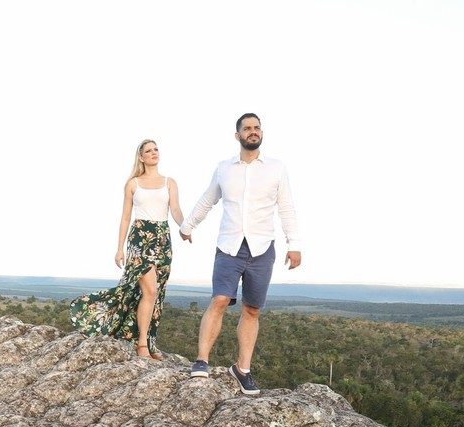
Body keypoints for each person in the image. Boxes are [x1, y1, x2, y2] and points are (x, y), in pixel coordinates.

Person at [180, 112, 301, 395]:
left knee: (252, 308)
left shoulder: (276, 168)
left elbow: (286, 207)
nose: (253, 131)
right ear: (238, 136)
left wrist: (293, 243)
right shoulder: (224, 168)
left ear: (261, 133)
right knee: (220, 299)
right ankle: (201, 360)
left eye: (257, 127)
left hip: (262, 248)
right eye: (247, 128)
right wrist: (187, 226)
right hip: (229, 246)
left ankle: (242, 369)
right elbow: (208, 199)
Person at [69, 139, 185, 358]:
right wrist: (119, 248)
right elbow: (125, 218)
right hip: (139, 239)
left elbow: (176, 209)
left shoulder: (170, 182)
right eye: (148, 151)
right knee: (149, 290)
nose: (154, 153)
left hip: (162, 240)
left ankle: (149, 342)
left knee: (156, 295)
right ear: (141, 157)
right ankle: (141, 344)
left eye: (156, 149)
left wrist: (185, 227)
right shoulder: (133, 183)